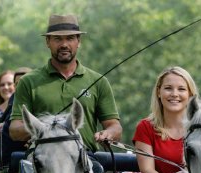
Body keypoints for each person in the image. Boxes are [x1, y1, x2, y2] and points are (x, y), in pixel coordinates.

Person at [9, 13, 122, 152]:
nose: (64, 44)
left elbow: (115, 127)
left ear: (78, 41)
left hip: (86, 160)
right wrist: (44, 126)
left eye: (70, 38)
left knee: (98, 171)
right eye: (57, 39)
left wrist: (108, 133)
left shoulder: (99, 82)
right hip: (42, 161)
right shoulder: (28, 81)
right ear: (47, 42)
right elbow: (14, 130)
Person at [132, 67, 198, 173]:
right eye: (168, 88)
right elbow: (147, 172)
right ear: (158, 92)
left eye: (181, 89)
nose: (174, 94)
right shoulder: (145, 127)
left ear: (190, 95)